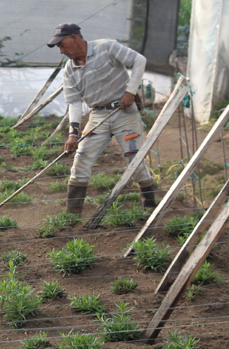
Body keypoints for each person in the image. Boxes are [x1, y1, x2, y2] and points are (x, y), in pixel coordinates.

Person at [47, 23, 156, 216]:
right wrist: (73, 134)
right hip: (97, 116)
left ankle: (150, 206)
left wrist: (130, 91)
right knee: (81, 161)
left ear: (74, 38)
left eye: (62, 45)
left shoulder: (106, 47)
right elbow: (74, 104)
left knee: (135, 160)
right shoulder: (70, 70)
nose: (62, 51)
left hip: (125, 113)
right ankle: (72, 217)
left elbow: (139, 60)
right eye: (59, 48)